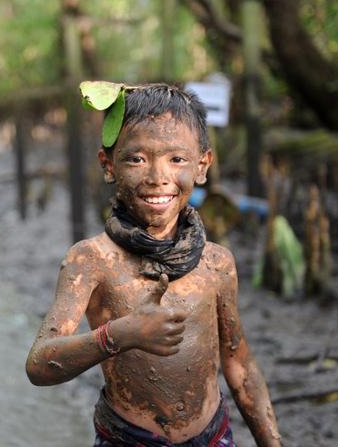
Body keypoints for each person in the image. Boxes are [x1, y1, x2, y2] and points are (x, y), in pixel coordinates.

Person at [26, 84, 281, 446]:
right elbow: (39, 364)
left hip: (212, 437)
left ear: (202, 165)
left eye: (177, 159)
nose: (158, 177)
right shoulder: (92, 260)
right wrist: (121, 334)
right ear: (108, 164)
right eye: (137, 159)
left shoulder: (216, 262)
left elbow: (239, 365)